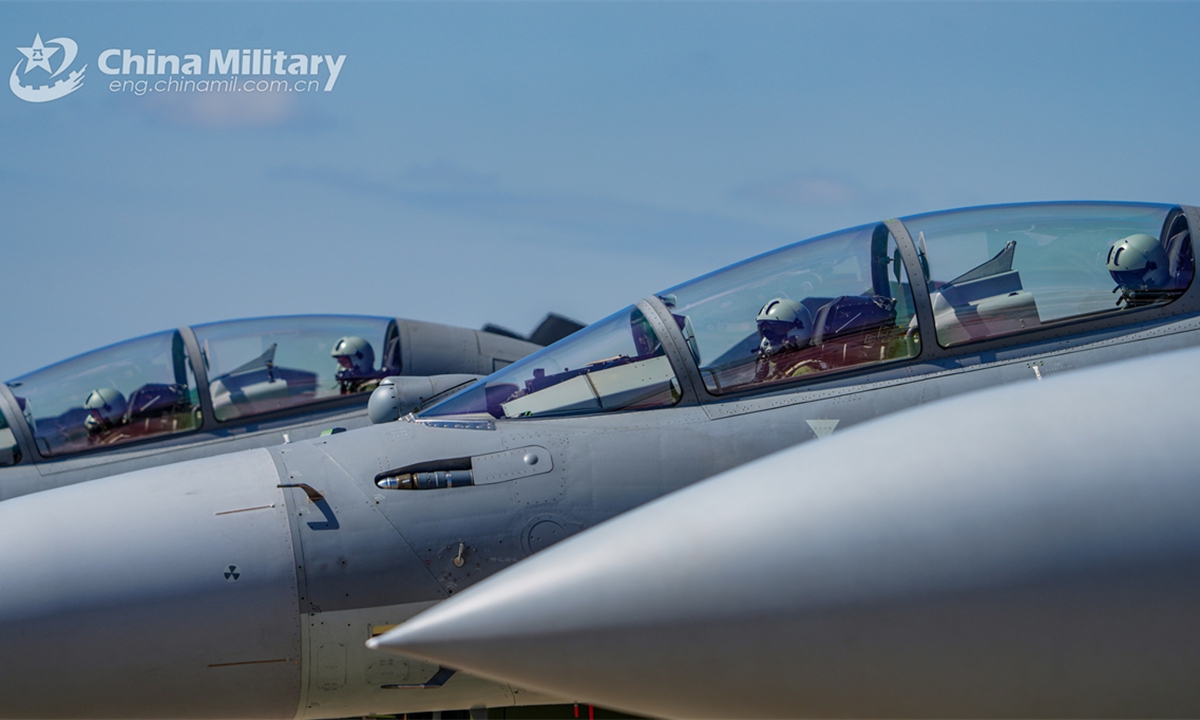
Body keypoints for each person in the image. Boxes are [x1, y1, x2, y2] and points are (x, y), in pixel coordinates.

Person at [754, 298, 822, 382]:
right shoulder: (781, 370)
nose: (769, 339)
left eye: (776, 329)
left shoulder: (804, 374)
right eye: (765, 331)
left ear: (799, 331)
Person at [1107, 233, 1174, 308]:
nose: (1126, 287)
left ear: (1155, 269)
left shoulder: (1170, 306)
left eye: (1131, 278)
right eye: (1120, 278)